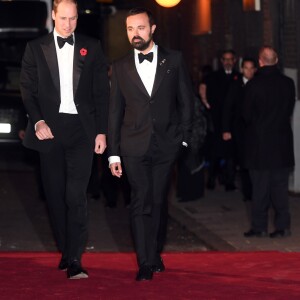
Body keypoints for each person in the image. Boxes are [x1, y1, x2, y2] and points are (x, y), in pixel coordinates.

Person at [20, 0, 110, 279]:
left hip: (81, 131)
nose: (68, 24)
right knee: (55, 196)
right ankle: (65, 249)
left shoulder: (92, 46)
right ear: (53, 16)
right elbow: (27, 89)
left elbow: (101, 93)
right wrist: (38, 120)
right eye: (63, 19)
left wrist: (101, 131)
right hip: (49, 131)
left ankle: (74, 258)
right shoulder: (35, 48)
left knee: (76, 196)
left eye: (73, 19)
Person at [107, 7, 194, 281]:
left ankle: (154, 252)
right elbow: (114, 112)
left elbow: (187, 103)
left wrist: (182, 138)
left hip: (166, 146)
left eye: (140, 28)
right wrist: (113, 154)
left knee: (158, 201)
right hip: (133, 146)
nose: (135, 33)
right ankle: (144, 261)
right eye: (130, 29)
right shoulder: (120, 66)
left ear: (152, 29)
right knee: (140, 200)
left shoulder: (174, 60)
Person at [242, 46, 295, 238]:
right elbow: (288, 110)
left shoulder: (253, 85)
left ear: (260, 62)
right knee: (280, 189)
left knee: (260, 189)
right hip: (281, 144)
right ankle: (283, 227)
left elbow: (246, 115)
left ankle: (260, 227)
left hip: (259, 145)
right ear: (277, 60)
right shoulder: (289, 83)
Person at [199, 50, 240, 191]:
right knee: (215, 152)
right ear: (222, 61)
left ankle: (229, 181)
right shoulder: (213, 76)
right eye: (225, 59)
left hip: (234, 123)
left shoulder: (237, 77)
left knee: (231, 154)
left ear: (234, 61)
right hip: (216, 121)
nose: (228, 62)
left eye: (230, 59)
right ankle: (211, 179)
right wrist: (207, 104)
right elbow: (202, 88)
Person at [222, 58, 257, 203]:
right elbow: (227, 107)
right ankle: (248, 192)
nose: (248, 71)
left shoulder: (258, 84)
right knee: (243, 161)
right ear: (242, 69)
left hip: (255, 130)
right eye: (246, 68)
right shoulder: (236, 85)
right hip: (240, 130)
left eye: (251, 68)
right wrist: (226, 129)